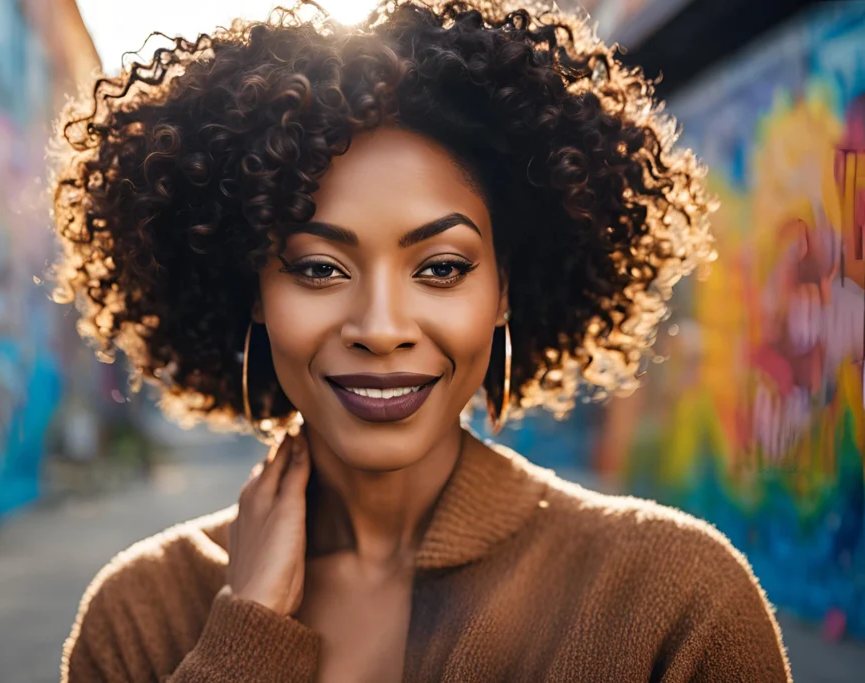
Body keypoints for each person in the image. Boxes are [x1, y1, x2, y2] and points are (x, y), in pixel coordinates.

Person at [52, 1, 790, 681]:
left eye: (440, 267)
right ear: (256, 294)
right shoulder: (140, 616)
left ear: (504, 289)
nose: (379, 328)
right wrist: (242, 638)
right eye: (318, 268)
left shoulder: (675, 604)